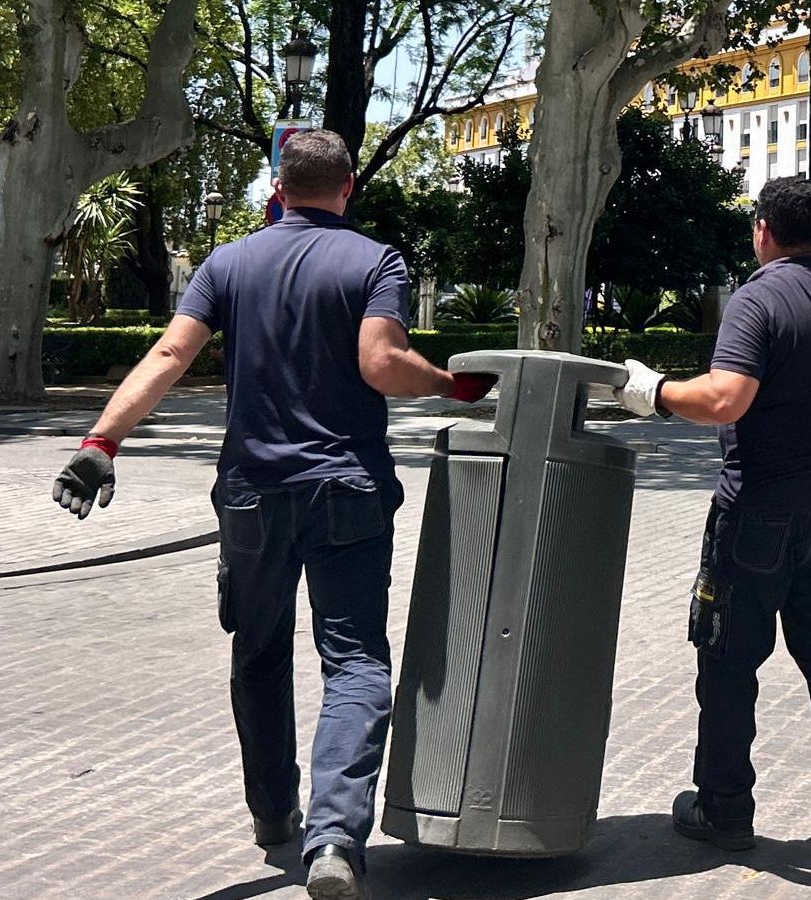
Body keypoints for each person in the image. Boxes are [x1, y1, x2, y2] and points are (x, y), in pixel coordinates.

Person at [48, 130, 494, 900]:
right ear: (348, 187)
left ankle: (273, 815)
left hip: (252, 493)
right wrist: (454, 387)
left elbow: (167, 357)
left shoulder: (229, 261)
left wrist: (101, 441)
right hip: (347, 490)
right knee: (354, 660)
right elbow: (382, 363)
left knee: (258, 651)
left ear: (279, 190)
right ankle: (334, 841)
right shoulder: (373, 260)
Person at [613, 177, 811, 884]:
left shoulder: (758, 297)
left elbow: (725, 399)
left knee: (727, 659)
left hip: (759, 513)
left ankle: (725, 808)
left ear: (762, 229)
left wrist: (652, 392)